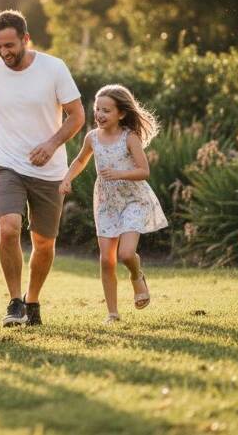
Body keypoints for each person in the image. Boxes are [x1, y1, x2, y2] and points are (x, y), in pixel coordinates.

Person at [0, 10, 84, 327]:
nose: (4, 52)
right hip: (8, 164)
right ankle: (14, 302)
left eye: (10, 45)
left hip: (50, 170)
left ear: (26, 39)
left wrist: (52, 144)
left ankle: (32, 300)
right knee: (9, 228)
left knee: (43, 244)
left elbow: (77, 115)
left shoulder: (53, 69)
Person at [59, 84, 167, 323]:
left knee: (126, 253)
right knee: (106, 259)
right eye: (97, 109)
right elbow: (79, 161)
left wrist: (119, 173)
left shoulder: (130, 137)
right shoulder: (92, 138)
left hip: (133, 199)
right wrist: (67, 179)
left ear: (121, 113)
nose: (99, 114)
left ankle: (136, 276)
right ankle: (112, 313)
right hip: (107, 202)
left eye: (106, 110)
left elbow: (144, 171)